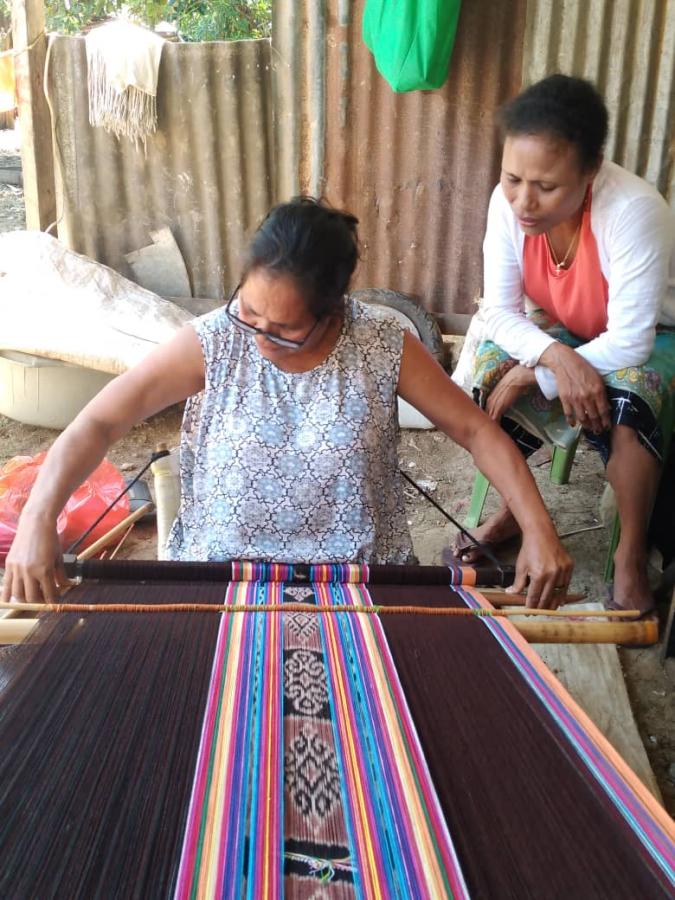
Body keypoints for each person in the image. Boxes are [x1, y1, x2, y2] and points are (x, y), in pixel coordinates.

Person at [2, 198, 571, 607]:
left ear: (334, 310)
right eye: (248, 312)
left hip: (356, 589)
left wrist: (539, 530)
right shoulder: (214, 341)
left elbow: (476, 432)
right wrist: (37, 518)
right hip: (220, 590)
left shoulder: (379, 344)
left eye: (283, 328)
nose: (258, 337)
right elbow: (100, 420)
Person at [455, 75, 675, 615]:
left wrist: (537, 372)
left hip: (650, 336)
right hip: (560, 328)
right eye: (512, 179)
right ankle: (518, 513)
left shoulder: (634, 211)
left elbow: (630, 340)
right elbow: (499, 312)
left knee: (628, 401)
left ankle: (627, 555)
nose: (524, 202)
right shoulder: (506, 206)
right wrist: (552, 357)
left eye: (546, 187)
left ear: (592, 169)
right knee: (488, 380)